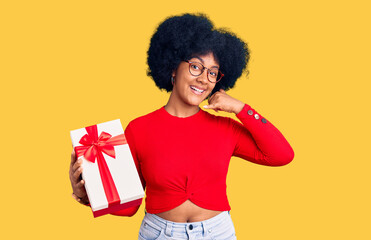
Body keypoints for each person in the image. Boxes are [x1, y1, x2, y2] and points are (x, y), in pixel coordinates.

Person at [69, 13, 294, 240]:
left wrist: (241, 108)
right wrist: (87, 195)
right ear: (173, 68)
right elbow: (129, 207)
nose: (204, 79)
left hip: (218, 233)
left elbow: (281, 155)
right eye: (196, 66)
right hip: (158, 234)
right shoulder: (138, 129)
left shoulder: (226, 128)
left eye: (213, 72)